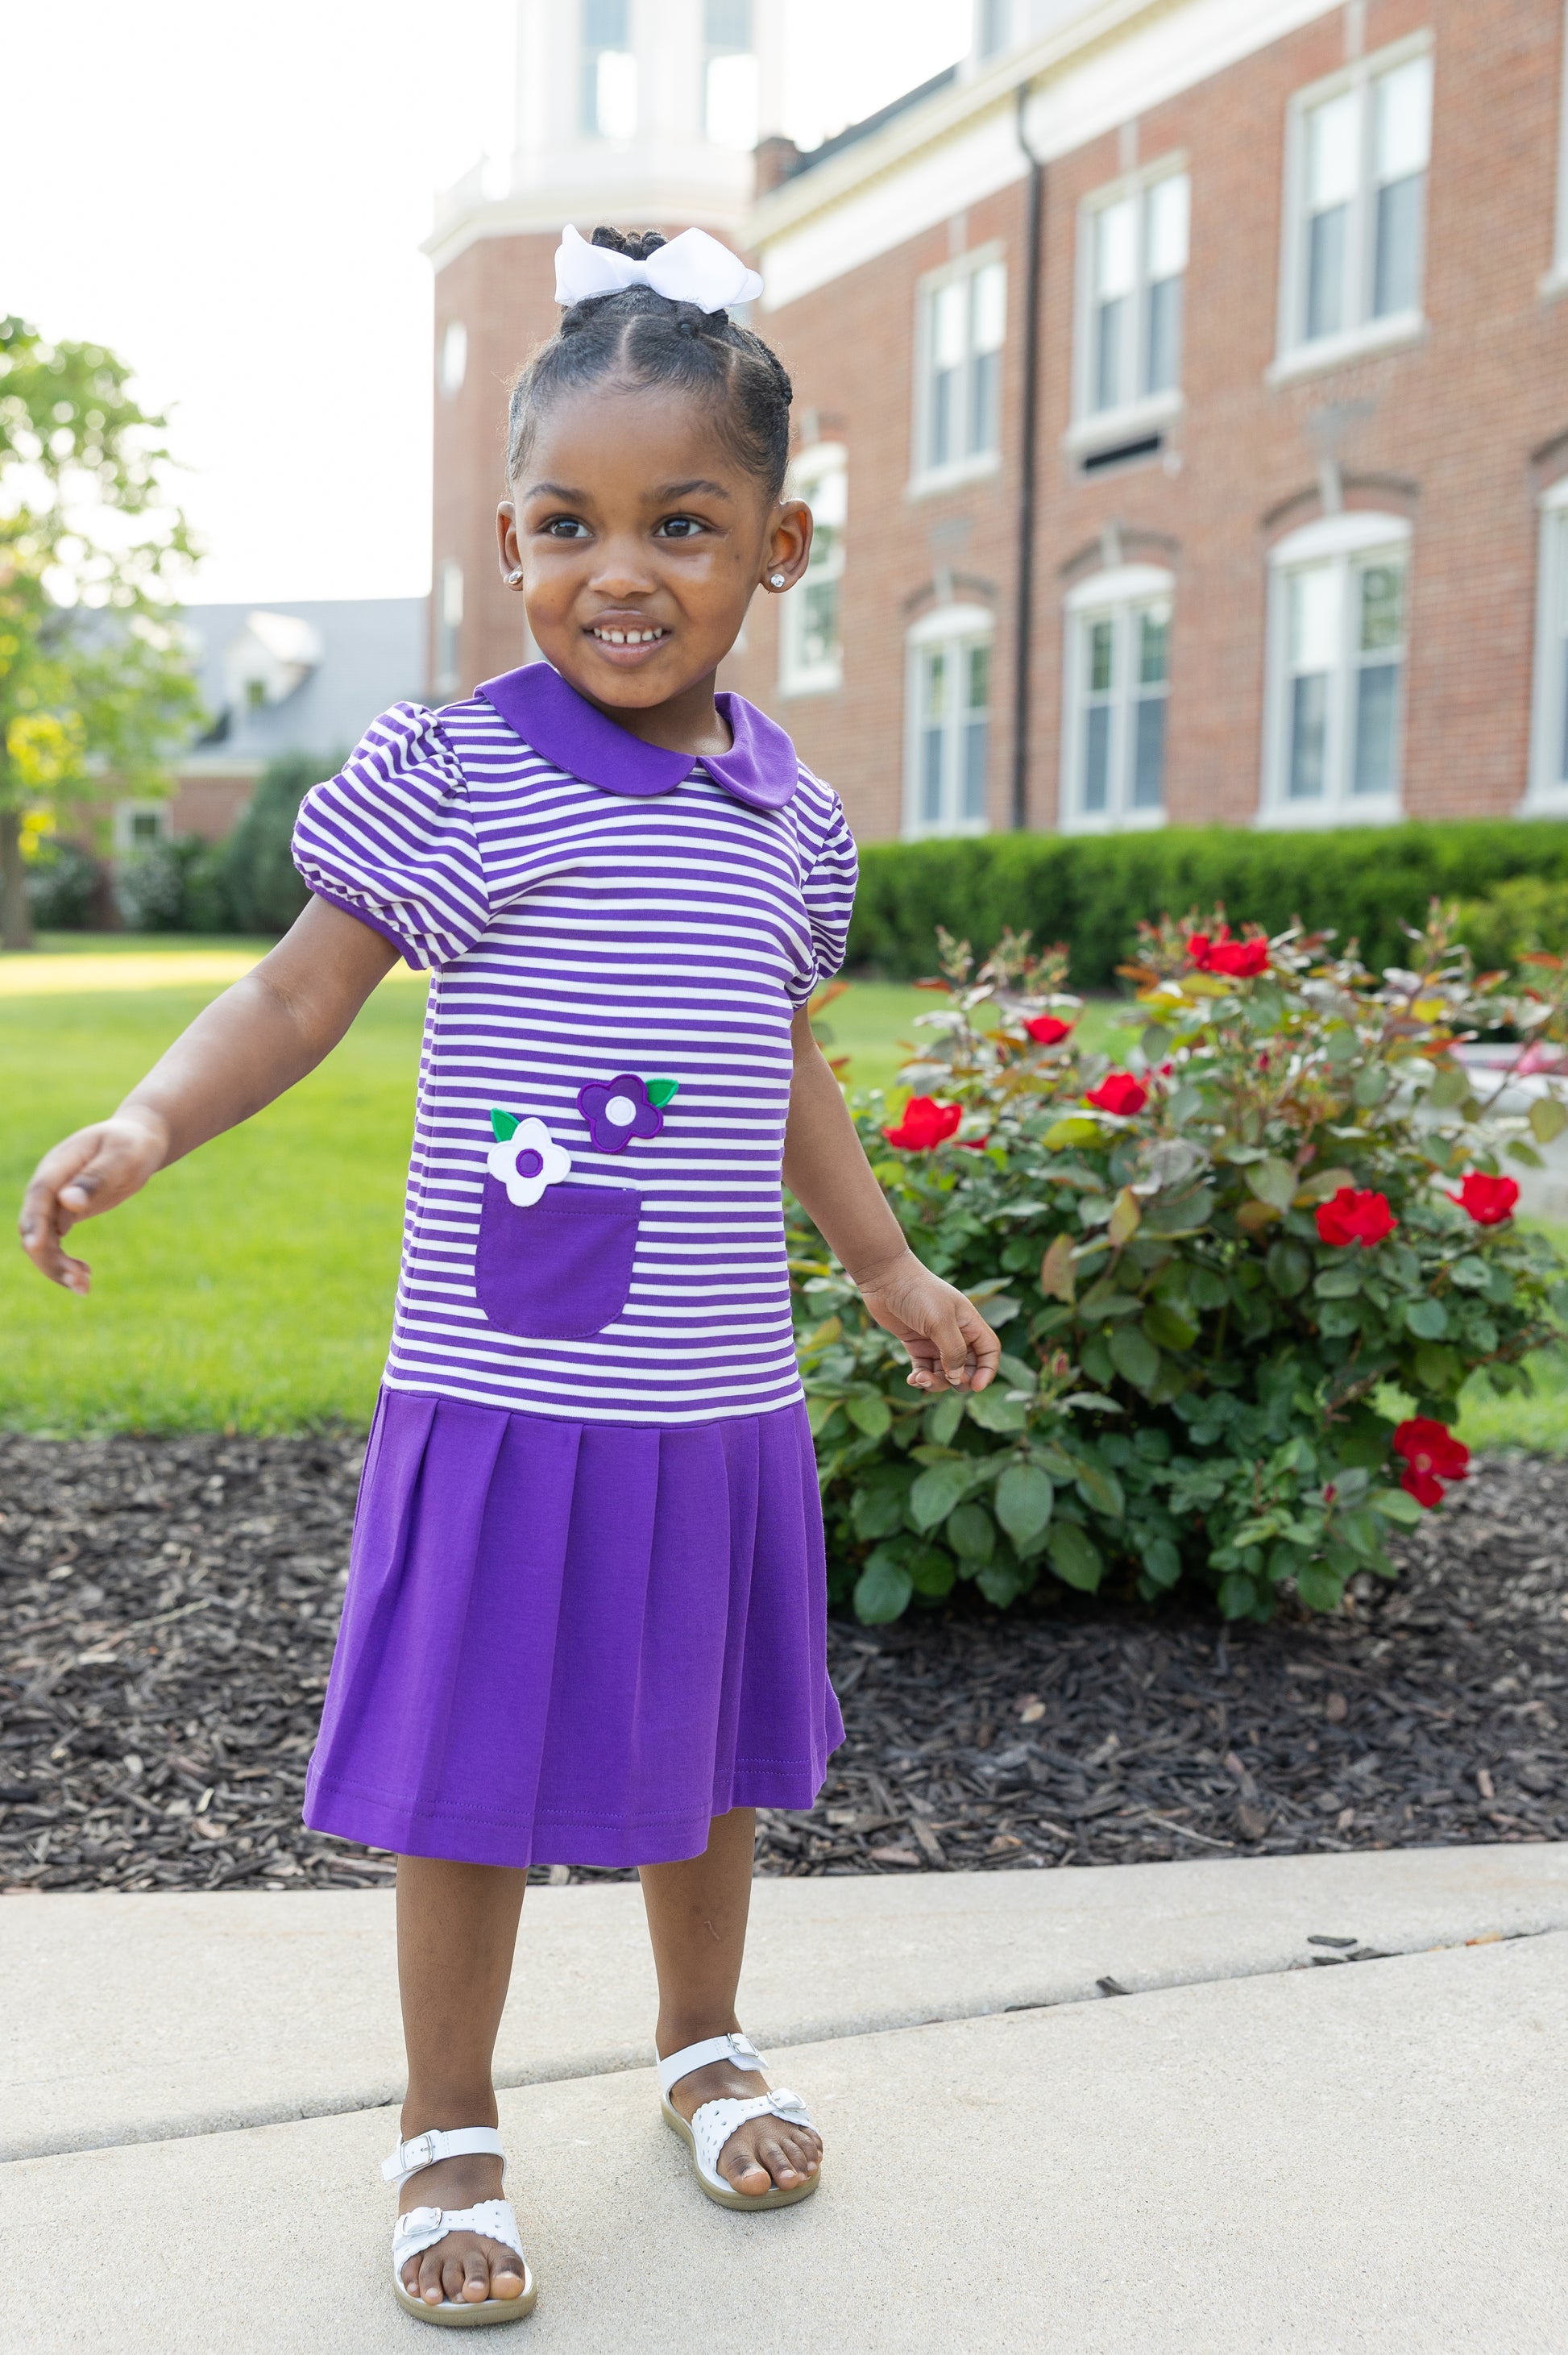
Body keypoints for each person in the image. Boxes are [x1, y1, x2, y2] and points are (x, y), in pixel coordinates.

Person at [19, 223, 1001, 2327]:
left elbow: (783, 1064)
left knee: (709, 1753)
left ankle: (700, 2038)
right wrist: (149, 1124)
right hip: (510, 1393)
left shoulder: (793, 819)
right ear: (508, 541)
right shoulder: (464, 771)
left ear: (779, 548)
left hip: (715, 1401)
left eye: (681, 523)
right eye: (569, 524)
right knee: (468, 1778)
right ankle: (444, 2115)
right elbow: (296, 993)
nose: (617, 573)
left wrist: (888, 1262)